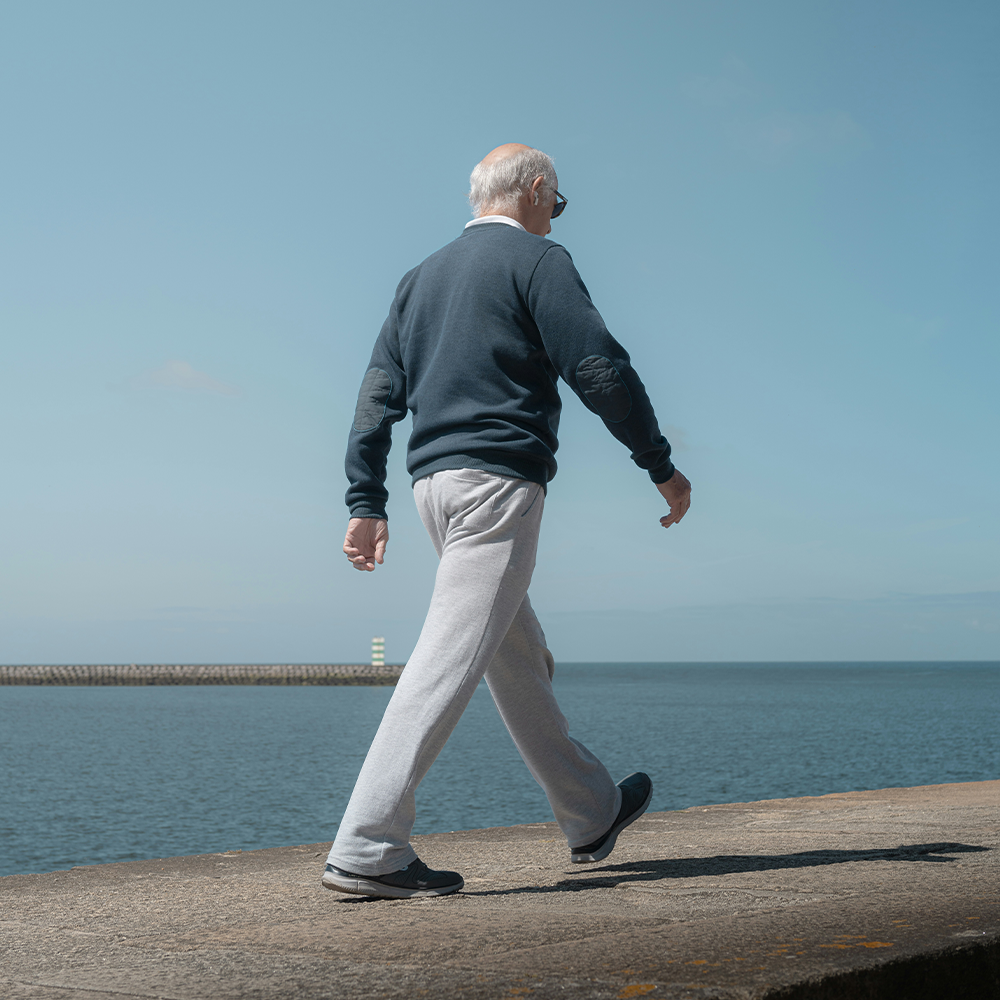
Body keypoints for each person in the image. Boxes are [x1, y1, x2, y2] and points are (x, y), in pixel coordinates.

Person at [322, 144, 692, 899]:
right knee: (447, 657)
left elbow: (375, 395)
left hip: (433, 488)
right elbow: (598, 369)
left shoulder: (418, 278)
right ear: (535, 189)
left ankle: (590, 810)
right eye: (555, 201)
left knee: (515, 653)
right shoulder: (537, 260)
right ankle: (366, 846)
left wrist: (366, 498)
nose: (555, 213)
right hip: (497, 483)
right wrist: (659, 464)